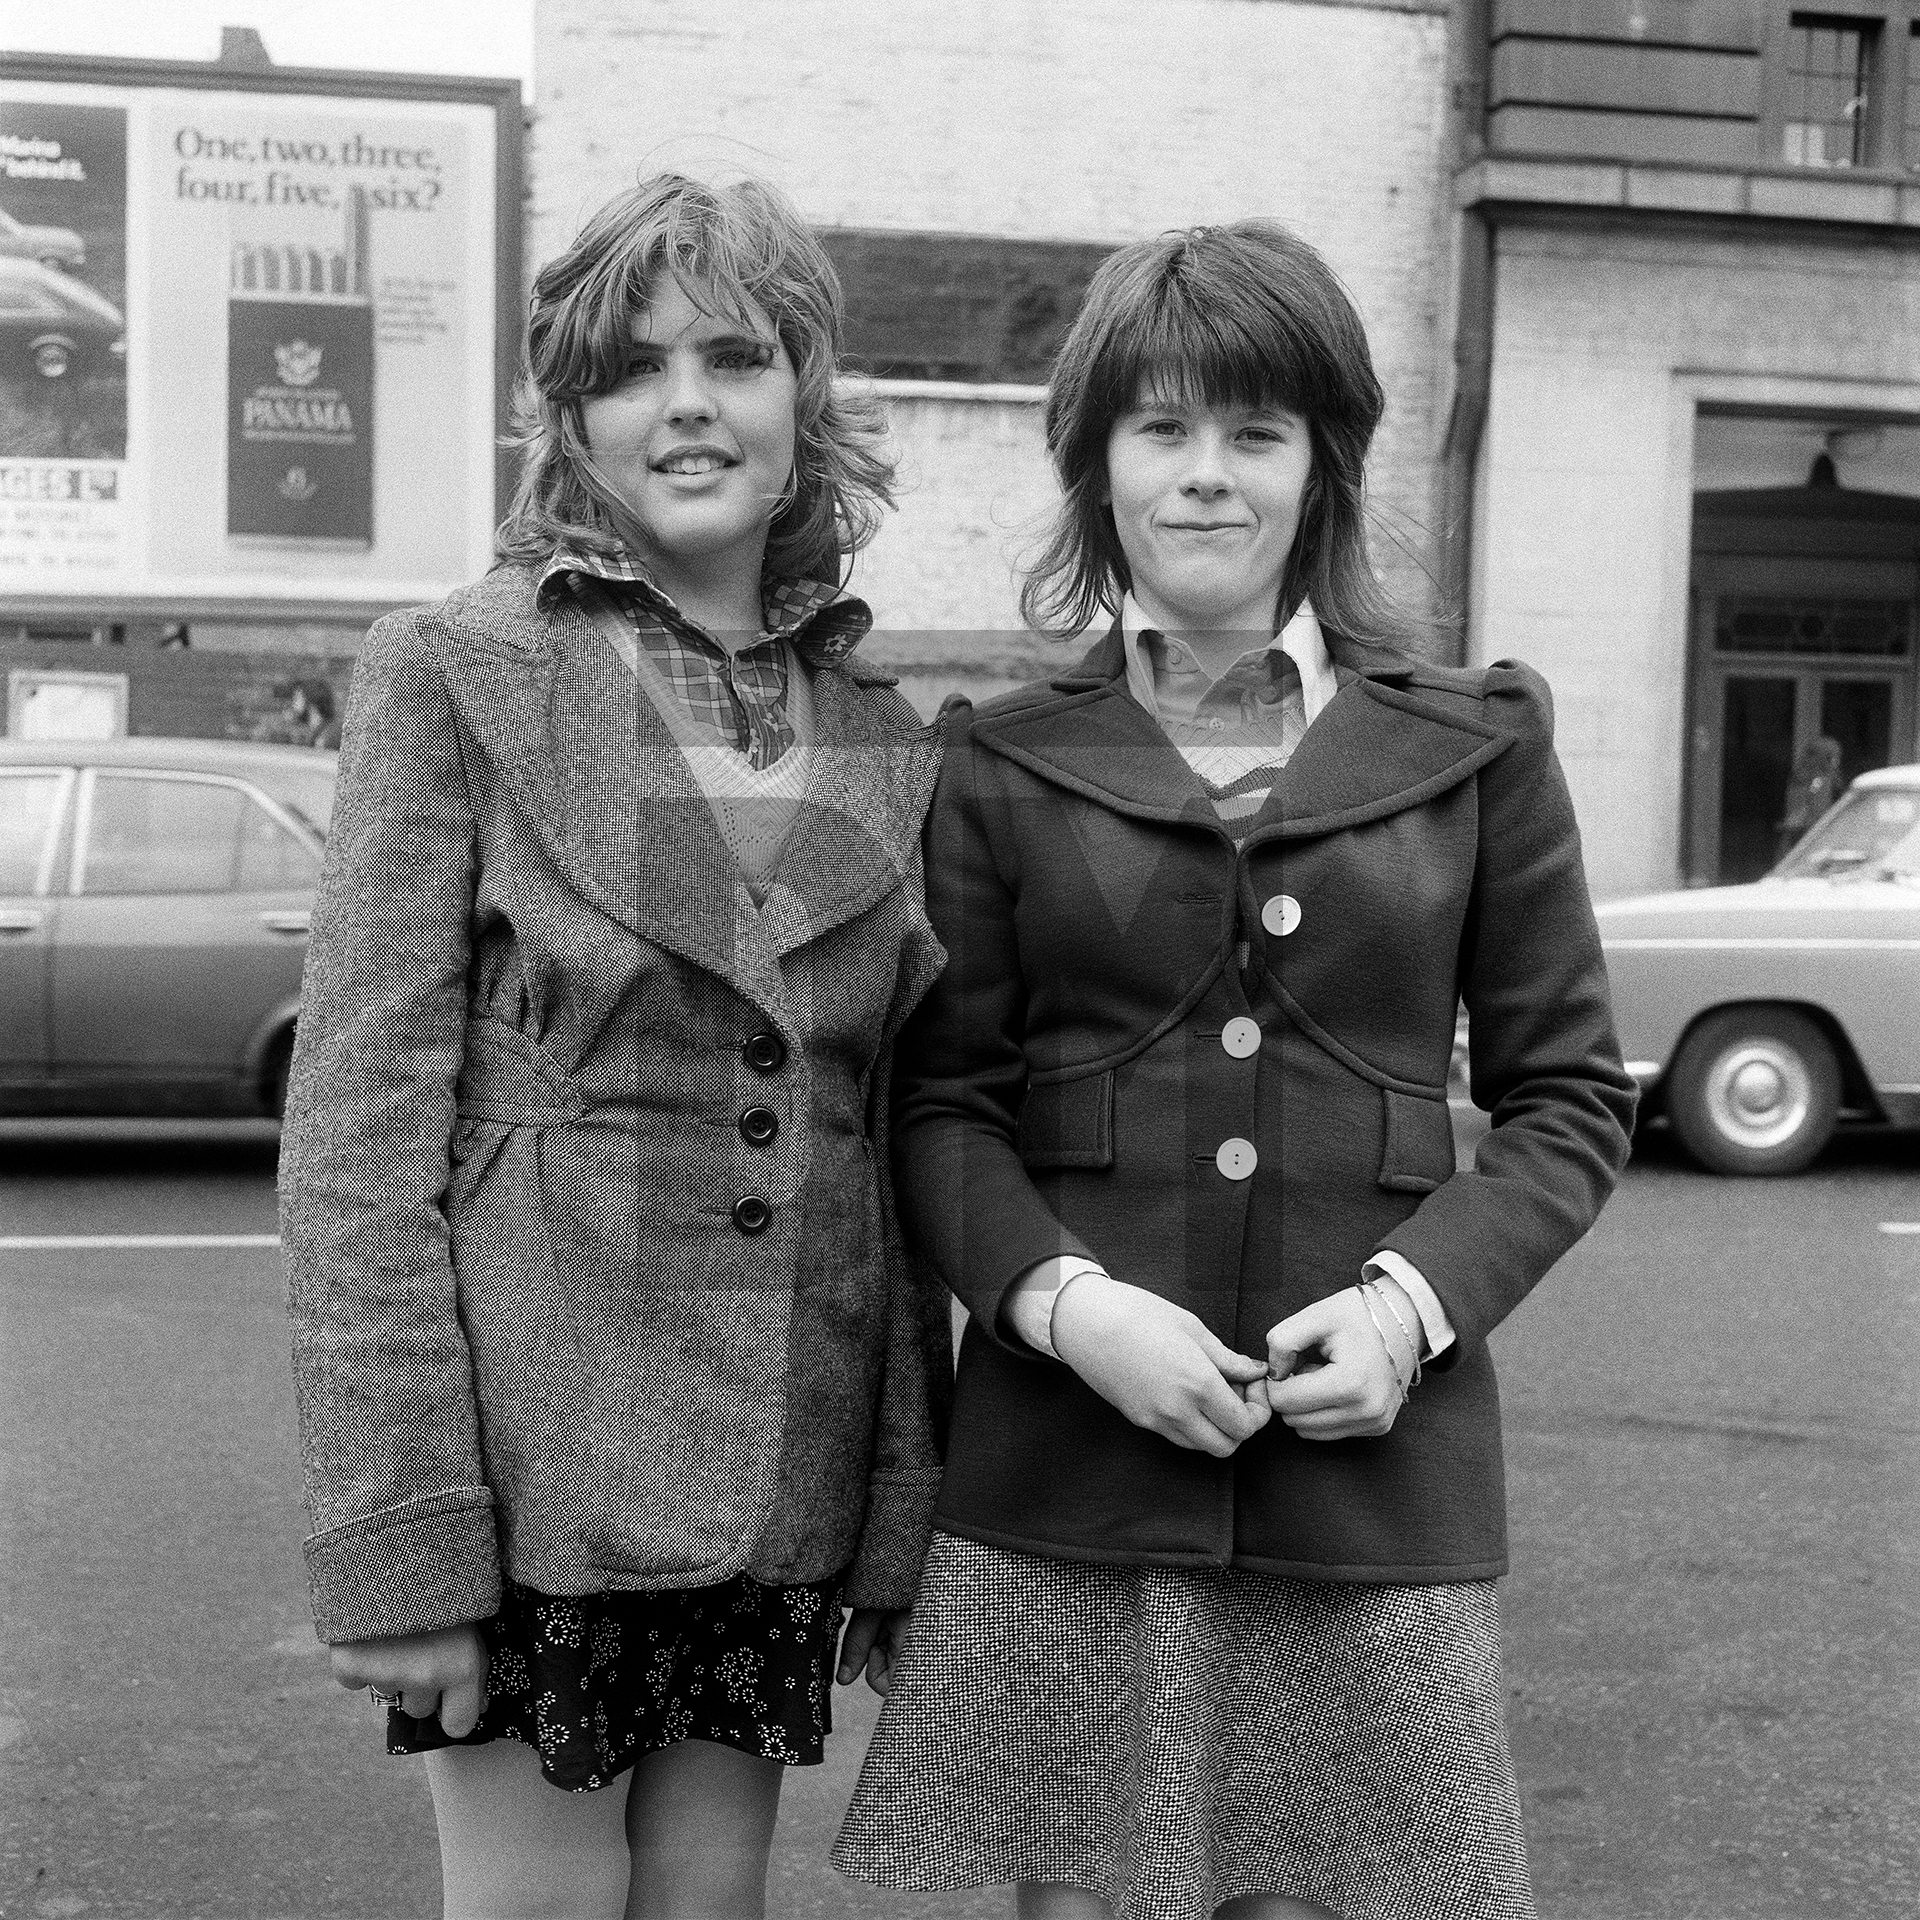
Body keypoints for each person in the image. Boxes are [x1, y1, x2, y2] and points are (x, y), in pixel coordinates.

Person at [834, 221, 1638, 1920]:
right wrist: (1068, 1310)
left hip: (1375, 1495)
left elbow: (1571, 1098)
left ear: (1323, 467)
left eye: (1256, 433)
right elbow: (944, 1107)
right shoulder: (995, 762)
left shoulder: (1476, 742)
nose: (1208, 478)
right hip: (1076, 1487)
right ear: (1096, 465)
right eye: (1162, 430)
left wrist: (1414, 1307)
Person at [280, 172, 950, 1920]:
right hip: (529, 1481)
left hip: (779, 1471)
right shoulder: (455, 668)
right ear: (569, 417)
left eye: (736, 357)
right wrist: (403, 1540)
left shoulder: (880, 722)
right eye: (632, 368)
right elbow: (354, 1141)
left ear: (806, 395)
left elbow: (872, 1146)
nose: (688, 404)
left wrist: (894, 1511)